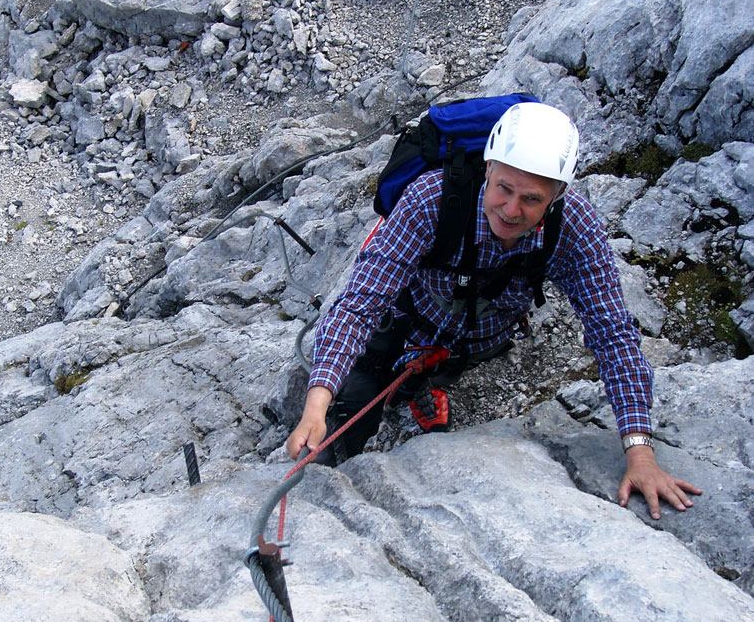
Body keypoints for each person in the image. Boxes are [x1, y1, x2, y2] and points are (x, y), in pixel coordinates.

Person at [286, 101, 702, 520]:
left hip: (482, 337)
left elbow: (612, 333)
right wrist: (318, 402)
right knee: (353, 401)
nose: (511, 209)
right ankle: (359, 430)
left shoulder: (574, 228)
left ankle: (420, 385)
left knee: (440, 365)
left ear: (558, 195)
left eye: (531, 198)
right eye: (504, 188)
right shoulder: (433, 200)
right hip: (408, 320)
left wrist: (640, 452)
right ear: (488, 167)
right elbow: (361, 305)